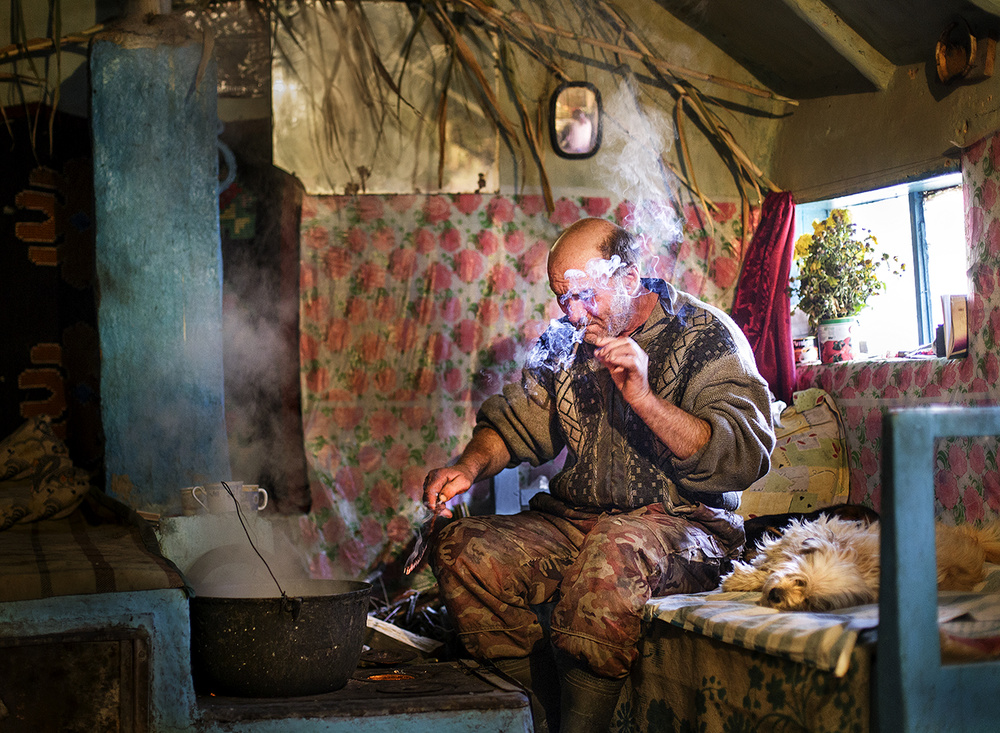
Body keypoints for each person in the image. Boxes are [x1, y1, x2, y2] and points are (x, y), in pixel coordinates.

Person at [423, 217, 775, 732]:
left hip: (686, 526)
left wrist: (645, 399)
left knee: (614, 550)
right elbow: (515, 422)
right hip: (580, 523)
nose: (572, 312)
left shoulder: (705, 335)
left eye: (585, 295)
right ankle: (539, 718)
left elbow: (744, 455)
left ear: (629, 277)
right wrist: (467, 467)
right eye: (562, 298)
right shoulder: (567, 339)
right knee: (463, 549)